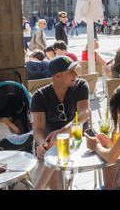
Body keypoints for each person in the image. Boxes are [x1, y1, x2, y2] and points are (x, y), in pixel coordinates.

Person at [31, 56, 91, 190]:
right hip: (53, 143)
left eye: (76, 70)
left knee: (53, 155)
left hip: (79, 138)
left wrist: (63, 131)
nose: (76, 74)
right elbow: (38, 129)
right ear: (57, 76)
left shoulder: (80, 85)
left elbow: (83, 114)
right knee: (52, 154)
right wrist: (42, 144)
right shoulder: (39, 96)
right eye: (71, 71)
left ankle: (38, 187)